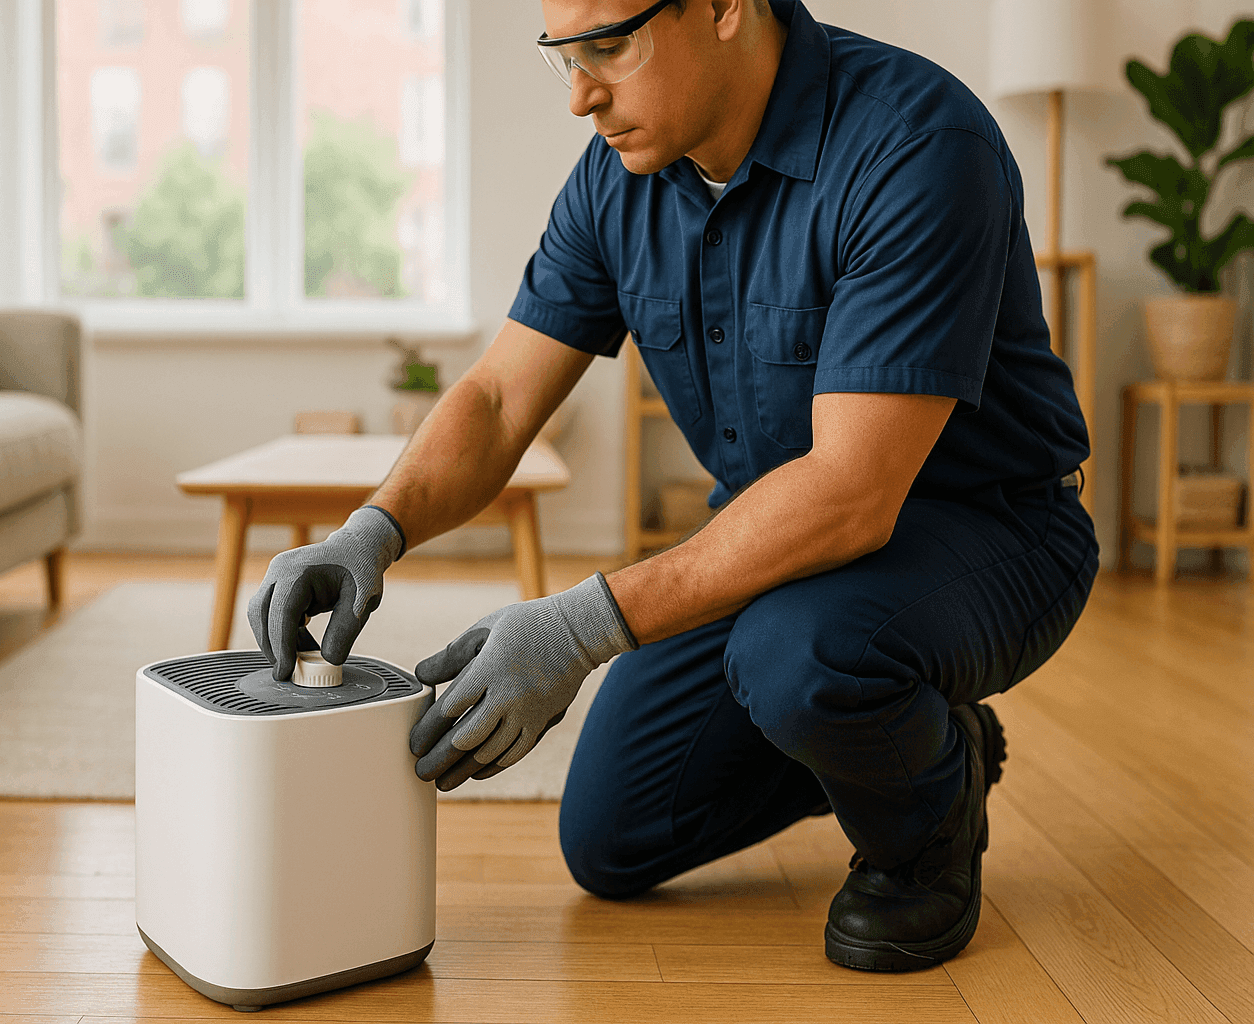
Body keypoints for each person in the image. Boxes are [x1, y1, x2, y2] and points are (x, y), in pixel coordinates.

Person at [247, 0, 1098, 973]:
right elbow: (494, 399)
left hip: (990, 529)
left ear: (727, 7)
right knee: (613, 837)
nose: (581, 96)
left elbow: (853, 493)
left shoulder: (915, 143)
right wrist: (372, 528)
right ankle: (918, 732)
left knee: (804, 653)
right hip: (781, 537)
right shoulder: (617, 180)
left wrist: (579, 627)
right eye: (563, 55)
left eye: (610, 46)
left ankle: (925, 833)